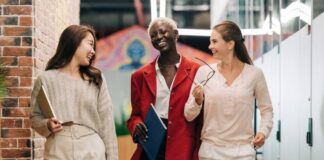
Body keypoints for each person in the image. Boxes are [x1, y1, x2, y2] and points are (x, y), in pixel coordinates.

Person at [184, 21, 273, 160]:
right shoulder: (204, 72)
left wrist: (263, 132)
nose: (209, 46)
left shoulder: (255, 74)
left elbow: (266, 110)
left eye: (214, 42)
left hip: (243, 153)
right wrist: (197, 100)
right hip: (210, 152)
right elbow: (188, 115)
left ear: (230, 44)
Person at [30, 25, 118, 160]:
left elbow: (108, 125)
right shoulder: (46, 79)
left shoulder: (96, 79)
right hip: (58, 149)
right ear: (75, 41)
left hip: (92, 150)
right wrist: (47, 124)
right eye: (90, 44)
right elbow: (34, 117)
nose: (93, 51)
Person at [127, 17, 202, 160]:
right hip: (151, 146)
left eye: (162, 32)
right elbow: (134, 116)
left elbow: (200, 120)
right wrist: (136, 126)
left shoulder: (196, 71)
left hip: (183, 148)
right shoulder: (139, 76)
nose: (158, 37)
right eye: (153, 35)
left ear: (176, 34)